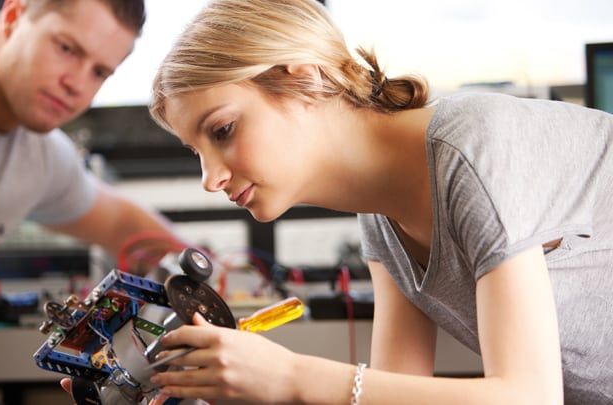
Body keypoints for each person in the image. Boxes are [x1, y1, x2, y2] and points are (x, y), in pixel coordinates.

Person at [146, 0, 613, 404]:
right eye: (197, 153)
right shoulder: (380, 216)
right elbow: (395, 390)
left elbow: (529, 397)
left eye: (223, 130)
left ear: (302, 79)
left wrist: (290, 376)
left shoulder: (471, 150)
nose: (210, 179)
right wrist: (238, 383)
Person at [0, 0, 180, 403]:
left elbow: (122, 223)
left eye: (100, 72)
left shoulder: (39, 154)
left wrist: (204, 276)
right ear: (13, 16)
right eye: (66, 48)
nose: (77, 84)